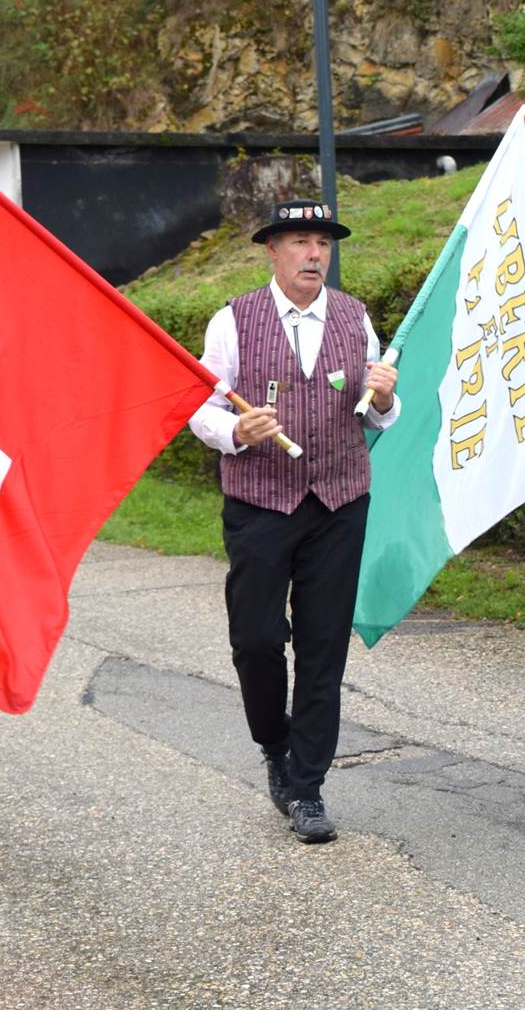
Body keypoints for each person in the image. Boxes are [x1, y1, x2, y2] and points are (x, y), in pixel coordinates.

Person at [188, 198, 400, 844]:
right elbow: (200, 409)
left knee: (322, 647)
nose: (315, 254)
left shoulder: (355, 319)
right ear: (273, 251)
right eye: (302, 242)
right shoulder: (233, 322)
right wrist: (236, 430)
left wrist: (386, 398)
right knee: (255, 639)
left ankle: (306, 787)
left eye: (323, 244)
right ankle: (274, 744)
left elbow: (377, 413)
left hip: (338, 502)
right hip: (259, 503)